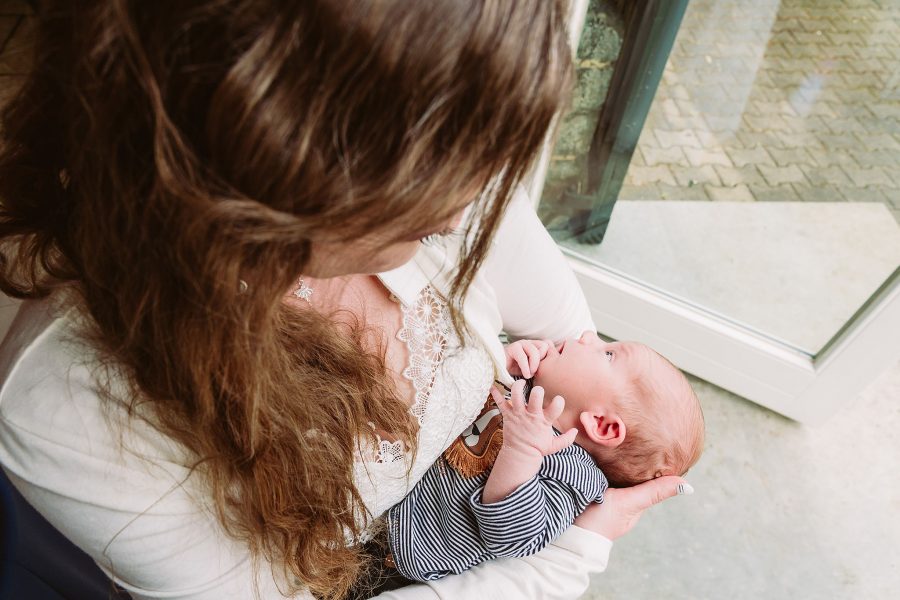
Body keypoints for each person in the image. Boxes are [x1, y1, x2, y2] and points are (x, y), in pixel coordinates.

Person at [0, 1, 692, 599]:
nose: (460, 217)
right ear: (277, 160)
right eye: (424, 188)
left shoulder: (442, 132)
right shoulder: (79, 411)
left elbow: (575, 347)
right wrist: (576, 553)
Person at [386, 335, 704, 581]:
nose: (586, 337)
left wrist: (522, 452)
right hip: (390, 470)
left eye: (607, 354)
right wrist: (498, 359)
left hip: (396, 548)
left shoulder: (575, 475)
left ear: (602, 425)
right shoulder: (527, 386)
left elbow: (513, 537)